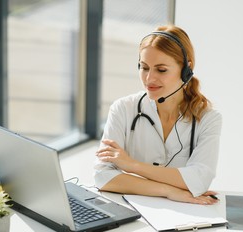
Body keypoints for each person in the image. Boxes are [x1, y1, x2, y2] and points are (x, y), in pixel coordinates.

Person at [94, 25, 221, 205]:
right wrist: (168, 190)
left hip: (187, 214)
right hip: (135, 211)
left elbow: (200, 180)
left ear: (186, 69)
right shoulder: (123, 108)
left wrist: (131, 165)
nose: (149, 79)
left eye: (161, 70)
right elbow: (102, 176)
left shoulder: (208, 118)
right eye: (144, 68)